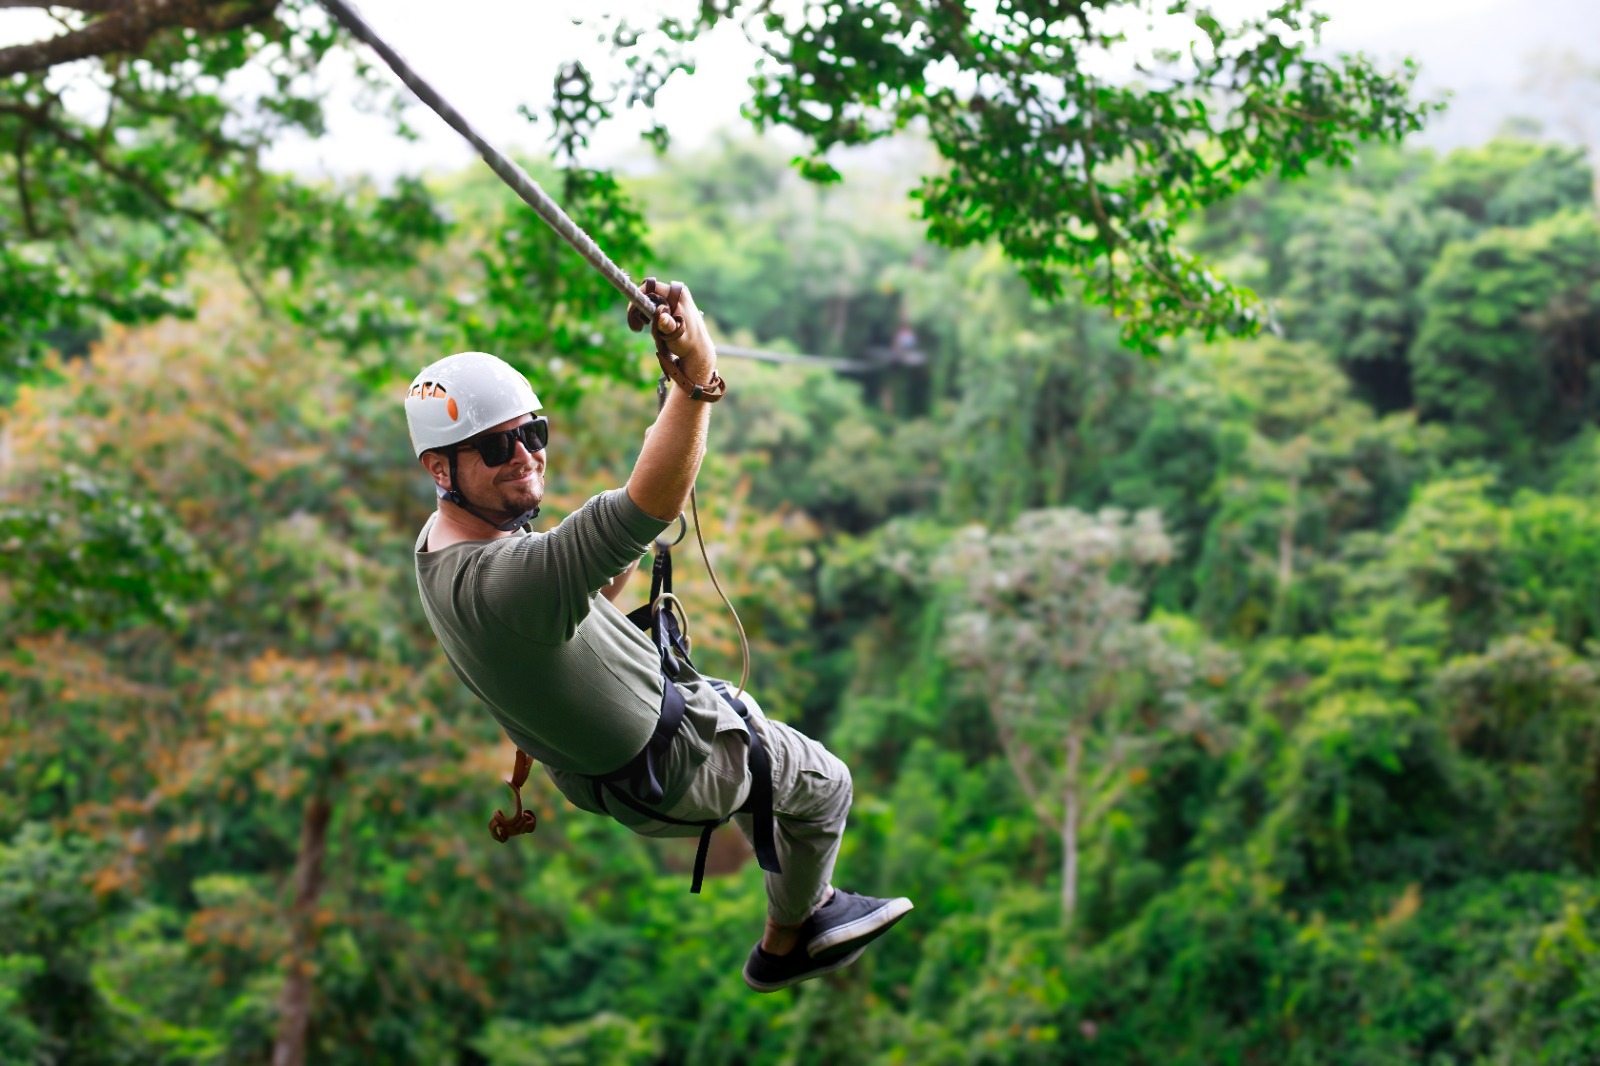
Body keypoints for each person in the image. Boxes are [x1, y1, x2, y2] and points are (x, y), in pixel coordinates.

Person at [406, 281, 912, 992]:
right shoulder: (507, 581)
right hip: (674, 765)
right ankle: (790, 936)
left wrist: (669, 414)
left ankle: (778, 859)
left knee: (757, 750)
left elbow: (586, 581)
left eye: (534, 432)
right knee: (826, 784)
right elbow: (646, 506)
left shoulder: (438, 548)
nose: (524, 455)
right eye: (495, 446)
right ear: (440, 469)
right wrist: (696, 380)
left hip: (613, 769)